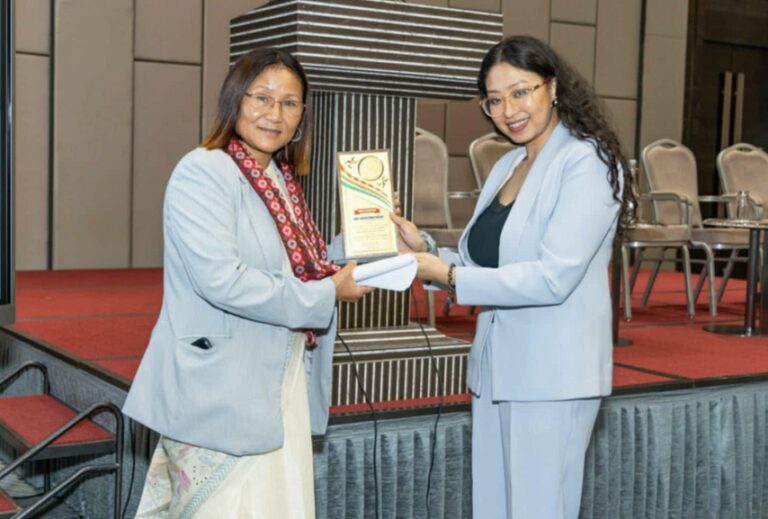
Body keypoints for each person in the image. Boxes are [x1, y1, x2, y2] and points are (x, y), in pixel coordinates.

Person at [392, 36, 635, 518]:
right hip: (497, 371)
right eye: (495, 100)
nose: (509, 110)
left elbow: (552, 278)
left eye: (521, 92)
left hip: (552, 375)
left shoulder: (586, 161)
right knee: (494, 508)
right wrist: (423, 250)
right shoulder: (508, 163)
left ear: (553, 87)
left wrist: (447, 274)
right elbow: (479, 265)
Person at [123, 48, 370, 518]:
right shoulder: (205, 170)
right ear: (235, 100)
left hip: (277, 378)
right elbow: (223, 280)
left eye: (290, 103)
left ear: (302, 117)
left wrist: (368, 232)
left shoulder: (279, 179)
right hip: (221, 387)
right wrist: (327, 293)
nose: (275, 114)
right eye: (262, 98)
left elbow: (303, 266)